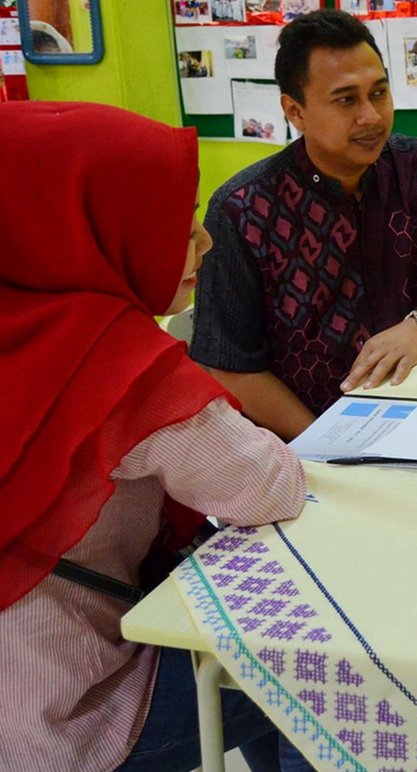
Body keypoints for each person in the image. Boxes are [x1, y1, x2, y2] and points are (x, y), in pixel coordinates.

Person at [0, 102, 311, 770]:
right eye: (180, 219)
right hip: (73, 721)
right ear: (93, 223)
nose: (205, 242)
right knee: (311, 663)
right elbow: (270, 486)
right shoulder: (115, 363)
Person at [191, 9, 417, 440]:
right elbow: (232, 367)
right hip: (303, 437)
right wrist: (325, 443)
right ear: (295, 111)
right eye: (346, 100)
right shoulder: (241, 209)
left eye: (378, 93)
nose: (371, 117)